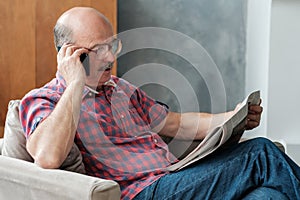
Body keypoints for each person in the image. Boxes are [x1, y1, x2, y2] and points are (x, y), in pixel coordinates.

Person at [19, 7, 300, 200]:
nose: (109, 57)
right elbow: (48, 156)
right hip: (144, 192)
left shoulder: (121, 89)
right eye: (97, 50)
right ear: (69, 55)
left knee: (268, 195)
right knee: (260, 153)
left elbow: (176, 123)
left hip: (175, 177)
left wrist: (234, 115)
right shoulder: (44, 100)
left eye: (112, 45)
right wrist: (76, 83)